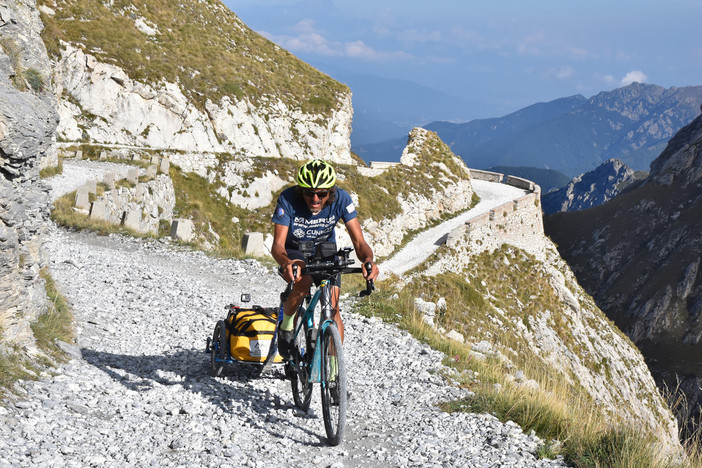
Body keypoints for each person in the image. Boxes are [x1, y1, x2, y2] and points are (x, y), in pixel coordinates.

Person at [271, 159, 379, 360]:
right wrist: (287, 263)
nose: (314, 198)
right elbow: (277, 245)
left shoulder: (342, 199)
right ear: (300, 190)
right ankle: (287, 325)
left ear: (330, 193)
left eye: (321, 194)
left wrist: (368, 260)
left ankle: (334, 373)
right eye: (308, 192)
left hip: (325, 251)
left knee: (333, 306)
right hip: (295, 251)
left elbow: (359, 241)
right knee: (302, 282)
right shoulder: (288, 198)